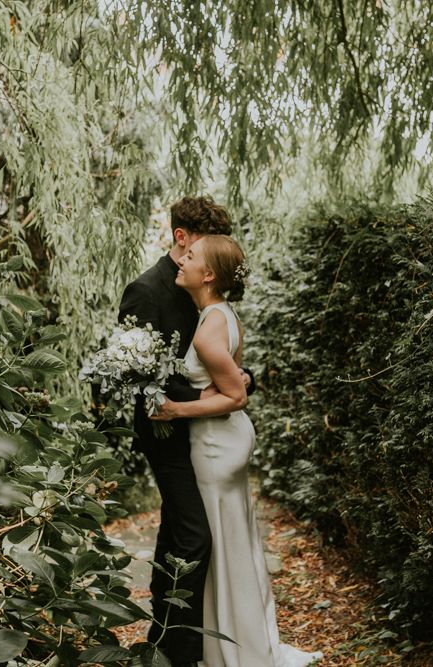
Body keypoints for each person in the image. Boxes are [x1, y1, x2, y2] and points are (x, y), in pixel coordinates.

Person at [151, 234, 323, 667]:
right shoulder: (220, 314)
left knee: (221, 545)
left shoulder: (209, 328)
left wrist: (176, 409)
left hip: (215, 443)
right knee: (232, 540)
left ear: (208, 274)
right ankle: (237, 639)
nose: (181, 261)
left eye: (189, 257)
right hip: (224, 438)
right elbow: (238, 378)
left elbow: (236, 395)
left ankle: (235, 647)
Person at [118, 197, 252, 666]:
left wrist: (240, 379)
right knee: (193, 537)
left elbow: (222, 357)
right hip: (168, 437)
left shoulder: (205, 289)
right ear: (182, 238)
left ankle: (168, 637)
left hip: (202, 432)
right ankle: (182, 646)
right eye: (202, 245)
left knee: (179, 532)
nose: (208, 254)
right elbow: (142, 377)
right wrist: (198, 402)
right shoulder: (146, 291)